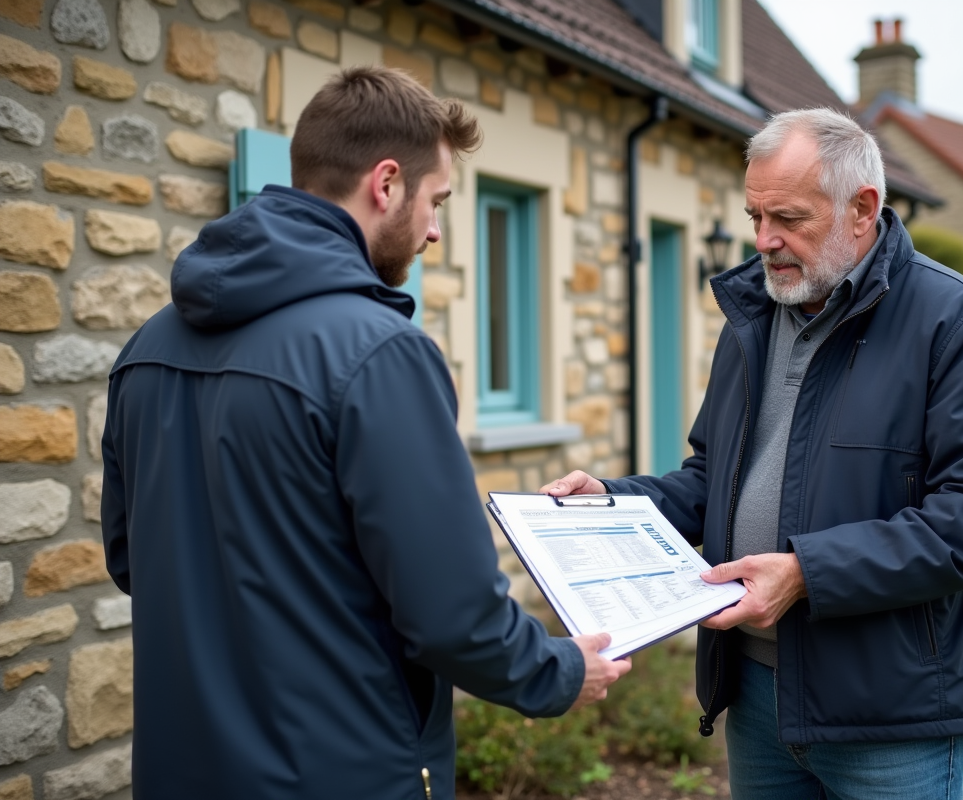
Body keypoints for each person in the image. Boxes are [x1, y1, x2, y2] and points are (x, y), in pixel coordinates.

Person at [101, 66, 629, 800]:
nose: (437, 229)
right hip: (340, 774)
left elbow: (134, 561)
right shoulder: (380, 353)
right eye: (436, 200)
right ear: (386, 184)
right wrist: (560, 671)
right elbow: (453, 618)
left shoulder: (146, 347)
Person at [544, 108, 963, 799]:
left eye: (789, 219)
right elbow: (712, 480)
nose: (764, 241)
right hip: (754, 694)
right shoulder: (755, 317)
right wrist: (611, 500)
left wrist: (807, 572)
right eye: (754, 216)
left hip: (890, 715)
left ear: (862, 208)